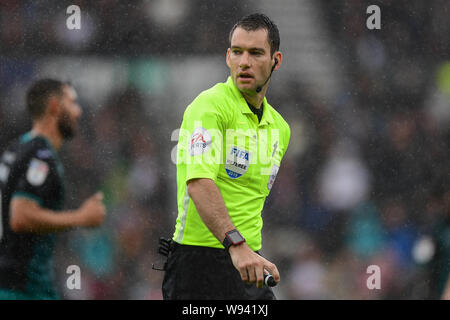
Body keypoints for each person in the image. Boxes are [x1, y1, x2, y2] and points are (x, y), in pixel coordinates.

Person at [162, 13, 290, 299]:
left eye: (256, 53)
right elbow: (198, 184)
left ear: (276, 61)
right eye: (237, 52)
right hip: (199, 264)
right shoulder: (210, 107)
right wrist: (236, 245)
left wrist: (246, 251)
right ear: (228, 57)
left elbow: (249, 200)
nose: (244, 62)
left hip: (248, 262)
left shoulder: (280, 128)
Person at [0, 79, 106, 300]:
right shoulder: (40, 156)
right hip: (23, 288)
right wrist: (81, 218)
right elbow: (20, 216)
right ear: (55, 107)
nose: (78, 112)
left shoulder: (17, 147)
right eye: (72, 103)